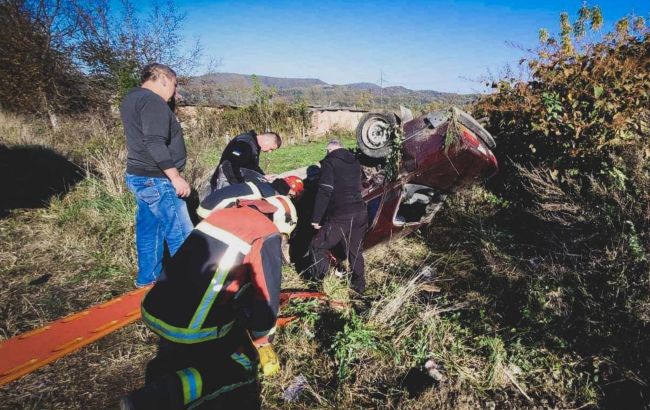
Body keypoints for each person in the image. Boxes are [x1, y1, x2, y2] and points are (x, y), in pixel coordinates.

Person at [120, 195, 298, 409]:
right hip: (188, 325)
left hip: (156, 307)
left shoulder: (225, 213)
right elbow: (266, 293)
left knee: (177, 359)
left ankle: (166, 374)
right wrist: (262, 341)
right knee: (240, 364)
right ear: (283, 222)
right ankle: (153, 398)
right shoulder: (266, 231)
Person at [121, 63, 193, 288]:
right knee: (181, 233)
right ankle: (189, 286)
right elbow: (154, 141)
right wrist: (175, 177)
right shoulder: (153, 101)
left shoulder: (132, 98)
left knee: (150, 230)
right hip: (158, 178)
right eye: (174, 84)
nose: (175, 90)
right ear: (163, 79)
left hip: (139, 175)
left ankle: (147, 279)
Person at [310, 140, 368, 295]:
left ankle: (327, 283)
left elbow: (325, 190)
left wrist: (316, 219)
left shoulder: (330, 162)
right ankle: (359, 286)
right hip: (360, 212)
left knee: (317, 246)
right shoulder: (355, 161)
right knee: (354, 250)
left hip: (341, 214)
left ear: (329, 150)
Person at [197, 175, 304, 219]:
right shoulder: (269, 197)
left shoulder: (263, 185)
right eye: (293, 195)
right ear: (291, 191)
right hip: (209, 213)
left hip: (206, 204)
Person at [209, 131, 282, 191]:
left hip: (230, 183)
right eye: (271, 148)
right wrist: (240, 187)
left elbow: (251, 166)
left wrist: (262, 176)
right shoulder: (244, 143)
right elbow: (229, 165)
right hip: (222, 186)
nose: (270, 152)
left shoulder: (253, 144)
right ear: (267, 140)